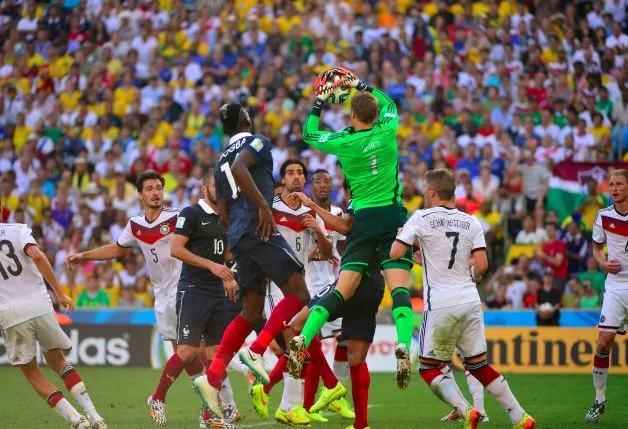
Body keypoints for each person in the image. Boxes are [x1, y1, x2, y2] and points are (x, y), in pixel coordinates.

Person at [66, 171, 231, 425]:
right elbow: (117, 249)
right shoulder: (136, 225)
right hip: (162, 295)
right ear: (141, 194)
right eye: (150, 188)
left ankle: (216, 406)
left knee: (200, 351)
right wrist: (84, 256)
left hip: (188, 288)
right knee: (186, 357)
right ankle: (211, 407)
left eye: (159, 188)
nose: (156, 192)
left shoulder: (179, 217)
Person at [291, 67, 415, 390]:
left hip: (360, 221)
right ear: (374, 113)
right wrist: (361, 84)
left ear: (351, 114)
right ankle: (403, 344)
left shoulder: (344, 141)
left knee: (341, 290)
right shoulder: (388, 128)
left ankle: (302, 339)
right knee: (400, 289)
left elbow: (309, 134)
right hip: (391, 217)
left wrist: (319, 102)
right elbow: (389, 104)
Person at [390, 169, 535, 429]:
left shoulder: (421, 217)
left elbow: (396, 251)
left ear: (432, 192)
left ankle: (465, 409)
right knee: (478, 365)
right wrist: (472, 275)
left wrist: (405, 236)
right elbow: (481, 264)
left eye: (425, 191)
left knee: (428, 367)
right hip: (469, 299)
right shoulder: (471, 221)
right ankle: (519, 414)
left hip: (441, 304)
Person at [195, 104, 311, 419]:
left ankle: (214, 376)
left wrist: (236, 234)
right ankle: (256, 351)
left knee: (251, 312)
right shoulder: (256, 142)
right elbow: (241, 170)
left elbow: (221, 208)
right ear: (246, 119)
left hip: (237, 233)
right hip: (257, 225)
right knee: (301, 295)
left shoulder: (219, 159)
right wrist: (262, 207)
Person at [286, 183, 383, 429]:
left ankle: (329, 385)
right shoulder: (386, 209)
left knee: (296, 326)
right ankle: (360, 423)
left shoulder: (354, 207)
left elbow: (345, 226)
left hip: (347, 280)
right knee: (356, 358)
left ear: (350, 193)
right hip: (372, 283)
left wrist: (311, 206)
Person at [149, 170, 240, 428]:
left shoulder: (224, 218)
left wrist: (230, 275)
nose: (220, 190)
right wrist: (211, 266)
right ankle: (157, 398)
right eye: (215, 185)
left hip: (217, 293)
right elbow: (176, 249)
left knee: (215, 356)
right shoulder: (191, 213)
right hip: (193, 290)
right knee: (187, 352)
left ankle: (209, 415)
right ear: (204, 189)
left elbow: (227, 256)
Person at [250, 159, 336, 425]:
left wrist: (318, 230)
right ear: (283, 180)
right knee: (298, 343)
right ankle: (291, 404)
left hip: (304, 287)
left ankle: (279, 400)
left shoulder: (310, 213)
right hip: (277, 286)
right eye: (290, 173)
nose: (296, 177)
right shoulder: (270, 209)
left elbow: (327, 251)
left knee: (301, 348)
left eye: (300, 173)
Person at [0, 216, 106, 429]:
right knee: (58, 361)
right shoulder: (18, 229)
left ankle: (78, 421)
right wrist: (60, 294)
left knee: (32, 372)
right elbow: (38, 257)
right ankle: (95, 417)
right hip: (40, 304)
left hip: (10, 312)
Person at [306, 168, 354, 419]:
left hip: (334, 284)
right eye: (318, 181)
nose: (323, 185)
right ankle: (304, 401)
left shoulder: (337, 214)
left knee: (344, 338)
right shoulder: (303, 212)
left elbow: (344, 250)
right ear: (310, 187)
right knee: (310, 345)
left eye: (327, 180)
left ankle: (335, 392)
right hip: (309, 286)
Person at [586, 169, 628, 423]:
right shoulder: (603, 216)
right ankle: (599, 400)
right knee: (603, 344)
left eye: (619, 184)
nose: (613, 188)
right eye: (611, 184)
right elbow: (596, 248)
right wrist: (602, 263)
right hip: (615, 285)